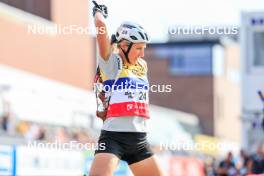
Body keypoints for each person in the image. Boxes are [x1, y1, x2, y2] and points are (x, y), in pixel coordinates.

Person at [89, 1, 164, 176]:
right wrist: (98, 12)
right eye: (138, 48)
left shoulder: (142, 65)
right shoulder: (111, 64)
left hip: (139, 140)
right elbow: (100, 26)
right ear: (124, 45)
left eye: (144, 48)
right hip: (113, 137)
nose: (142, 54)